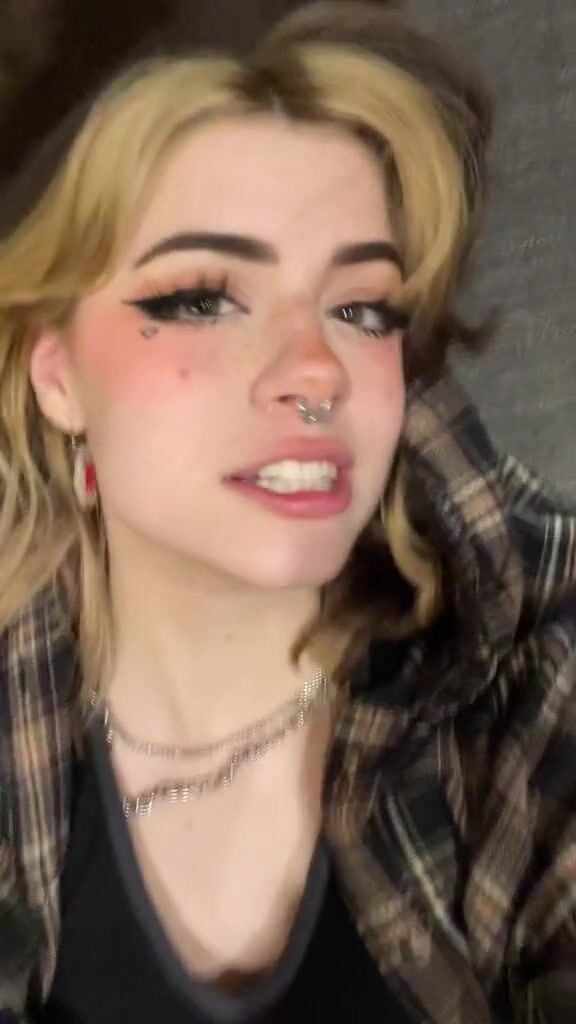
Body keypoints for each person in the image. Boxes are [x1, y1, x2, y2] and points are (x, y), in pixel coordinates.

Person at [0, 2, 574, 1021]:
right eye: (203, 298)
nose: (318, 372)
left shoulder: (523, 688)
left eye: (362, 308)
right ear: (57, 374)